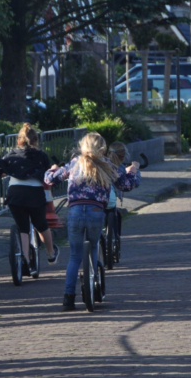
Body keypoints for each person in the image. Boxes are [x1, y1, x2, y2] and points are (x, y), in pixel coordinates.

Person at [45, 133, 140, 311]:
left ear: (83, 146)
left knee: (75, 256)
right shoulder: (107, 164)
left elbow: (50, 180)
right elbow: (126, 185)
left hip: (75, 212)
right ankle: (93, 286)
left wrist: (52, 169)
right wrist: (133, 171)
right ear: (102, 148)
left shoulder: (75, 163)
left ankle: (68, 297)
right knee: (94, 247)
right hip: (96, 212)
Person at [0, 124, 59, 268]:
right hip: (35, 195)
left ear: (18, 140)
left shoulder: (11, 155)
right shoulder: (41, 156)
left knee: (23, 228)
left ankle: (25, 260)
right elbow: (49, 175)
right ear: (36, 140)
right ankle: (51, 253)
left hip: (15, 194)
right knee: (41, 225)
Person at [105, 142, 142, 258]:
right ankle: (115, 241)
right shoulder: (114, 167)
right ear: (123, 157)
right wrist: (134, 170)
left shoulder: (98, 163)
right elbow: (128, 185)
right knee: (114, 212)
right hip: (107, 201)